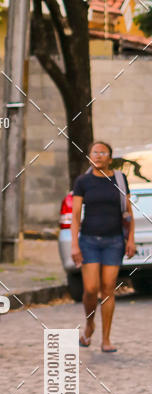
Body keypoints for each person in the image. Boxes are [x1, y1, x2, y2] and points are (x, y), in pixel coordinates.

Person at [71, 140, 136, 352]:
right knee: (90, 289)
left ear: (110, 157)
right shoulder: (83, 181)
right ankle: (90, 324)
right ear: (90, 156)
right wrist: (74, 244)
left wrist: (131, 239)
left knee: (108, 288)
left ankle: (106, 339)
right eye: (94, 152)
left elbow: (128, 212)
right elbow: (75, 216)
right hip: (89, 241)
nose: (98, 156)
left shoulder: (119, 179)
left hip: (114, 241)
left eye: (103, 152)